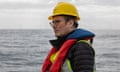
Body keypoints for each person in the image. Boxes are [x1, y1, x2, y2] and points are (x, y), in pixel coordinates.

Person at [42, 2, 96, 72]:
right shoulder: (61, 46)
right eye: (53, 22)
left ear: (70, 23)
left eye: (57, 22)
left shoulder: (81, 48)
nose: (54, 26)